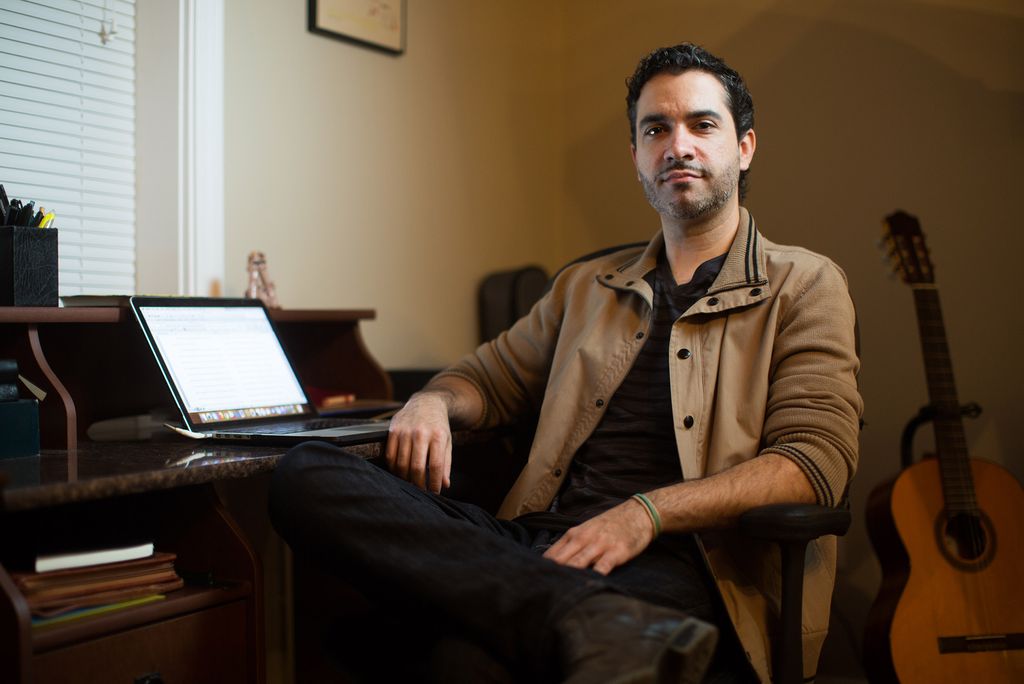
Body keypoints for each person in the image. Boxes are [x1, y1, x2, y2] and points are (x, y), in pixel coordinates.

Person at [269, 42, 862, 684]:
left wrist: (646, 513)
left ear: (744, 148)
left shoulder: (803, 284)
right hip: (540, 543)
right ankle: (583, 618)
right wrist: (431, 401)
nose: (677, 145)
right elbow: (483, 381)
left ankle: (564, 619)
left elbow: (813, 465)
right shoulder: (585, 287)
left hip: (690, 563)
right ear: (636, 155)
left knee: (462, 661)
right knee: (305, 475)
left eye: (702, 124)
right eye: (655, 129)